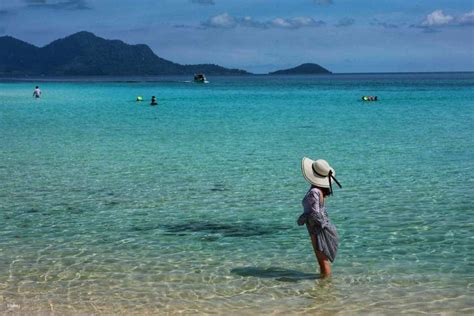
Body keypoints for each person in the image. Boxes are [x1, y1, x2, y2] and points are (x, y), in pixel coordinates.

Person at [298, 158, 342, 278]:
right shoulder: (319, 190)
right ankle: (325, 286)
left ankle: (325, 287)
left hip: (316, 228)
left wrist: (303, 217)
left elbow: (315, 214)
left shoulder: (314, 192)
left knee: (322, 260)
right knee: (322, 259)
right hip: (319, 225)